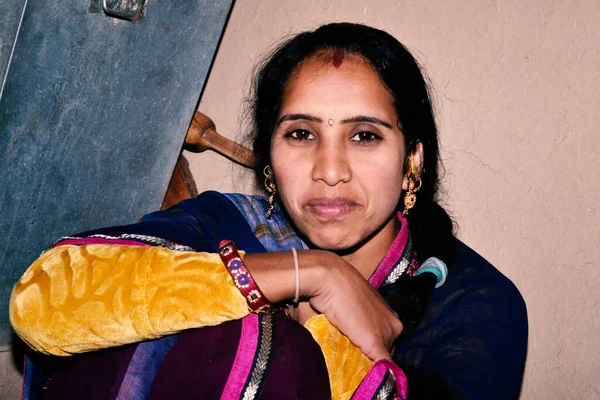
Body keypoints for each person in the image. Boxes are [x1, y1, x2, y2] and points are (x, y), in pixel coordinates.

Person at [10, 23, 527, 399]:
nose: (329, 169)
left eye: (364, 136)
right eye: (301, 134)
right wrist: (314, 273)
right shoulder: (230, 222)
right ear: (270, 157)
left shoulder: (474, 304)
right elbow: (44, 301)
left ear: (412, 157)